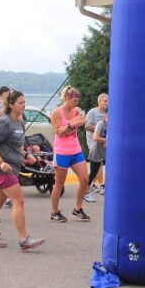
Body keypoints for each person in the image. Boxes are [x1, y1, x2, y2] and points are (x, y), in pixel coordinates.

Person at [0, 90, 45, 250]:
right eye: (20, 103)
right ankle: (24, 239)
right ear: (11, 105)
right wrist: (1, 162)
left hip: (13, 166)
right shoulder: (4, 122)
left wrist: (27, 155)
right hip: (1, 169)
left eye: (24, 102)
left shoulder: (20, 122)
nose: (23, 105)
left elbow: (15, 146)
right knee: (19, 199)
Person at [50, 86, 90, 223]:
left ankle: (78, 208)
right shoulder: (56, 112)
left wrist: (68, 126)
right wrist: (73, 124)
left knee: (84, 179)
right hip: (62, 151)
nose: (77, 103)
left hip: (76, 150)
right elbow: (59, 132)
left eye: (78, 99)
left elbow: (84, 121)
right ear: (67, 98)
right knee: (59, 183)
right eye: (74, 99)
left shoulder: (77, 111)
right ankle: (55, 212)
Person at [85, 93, 108, 194]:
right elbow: (87, 126)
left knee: (98, 164)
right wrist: (99, 127)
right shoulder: (92, 112)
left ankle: (93, 184)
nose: (108, 103)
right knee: (98, 163)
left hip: (103, 142)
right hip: (94, 141)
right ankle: (101, 185)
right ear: (99, 102)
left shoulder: (108, 113)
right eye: (105, 101)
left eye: (109, 101)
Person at [88, 113, 107, 196]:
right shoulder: (100, 124)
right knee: (93, 173)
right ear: (105, 116)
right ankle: (86, 191)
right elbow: (95, 137)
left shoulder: (116, 124)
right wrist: (106, 140)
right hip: (97, 152)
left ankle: (103, 186)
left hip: (107, 152)